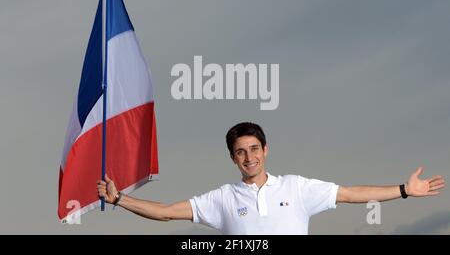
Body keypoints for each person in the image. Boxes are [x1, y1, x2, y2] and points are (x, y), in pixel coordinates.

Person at [97, 122, 445, 234]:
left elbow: (352, 193)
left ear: (265, 150)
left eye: (254, 149)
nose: (249, 157)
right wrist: (119, 199)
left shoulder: (295, 187)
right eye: (240, 152)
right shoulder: (223, 198)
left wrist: (403, 190)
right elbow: (168, 211)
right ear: (233, 158)